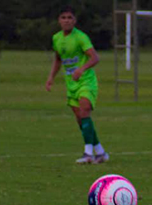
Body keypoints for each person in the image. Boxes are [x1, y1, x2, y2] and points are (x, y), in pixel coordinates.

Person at [45, 6, 109, 164]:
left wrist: (82, 69)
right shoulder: (56, 38)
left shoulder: (81, 37)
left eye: (70, 17)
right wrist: (51, 77)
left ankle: (88, 154)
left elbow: (95, 58)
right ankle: (100, 152)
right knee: (80, 119)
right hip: (71, 83)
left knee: (85, 111)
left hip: (86, 81)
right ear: (59, 21)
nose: (67, 20)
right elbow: (59, 59)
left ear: (75, 21)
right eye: (63, 17)